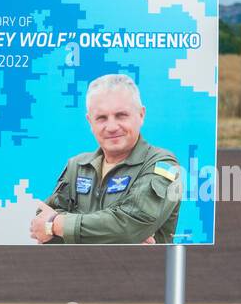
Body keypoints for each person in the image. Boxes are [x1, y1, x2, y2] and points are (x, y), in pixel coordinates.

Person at [30, 74, 183, 245]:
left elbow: (130, 225)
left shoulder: (162, 165)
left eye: (121, 115)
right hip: (77, 270)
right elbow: (41, 219)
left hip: (140, 270)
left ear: (141, 115)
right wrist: (113, 234)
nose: (111, 127)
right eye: (101, 118)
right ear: (90, 121)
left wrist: (57, 224)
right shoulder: (77, 166)